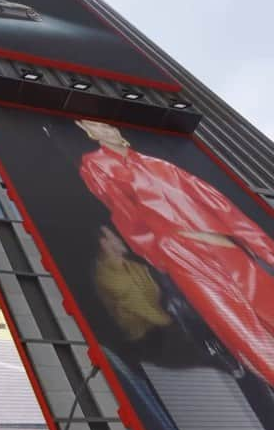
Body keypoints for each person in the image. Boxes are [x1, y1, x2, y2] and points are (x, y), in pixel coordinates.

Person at [76, 120, 274, 386]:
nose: (106, 130)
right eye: (96, 127)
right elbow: (123, 212)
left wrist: (265, 248)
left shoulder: (161, 165)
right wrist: (160, 253)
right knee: (241, 328)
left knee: (267, 306)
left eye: (108, 126)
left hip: (224, 247)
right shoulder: (97, 164)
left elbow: (220, 205)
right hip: (182, 254)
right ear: (87, 131)